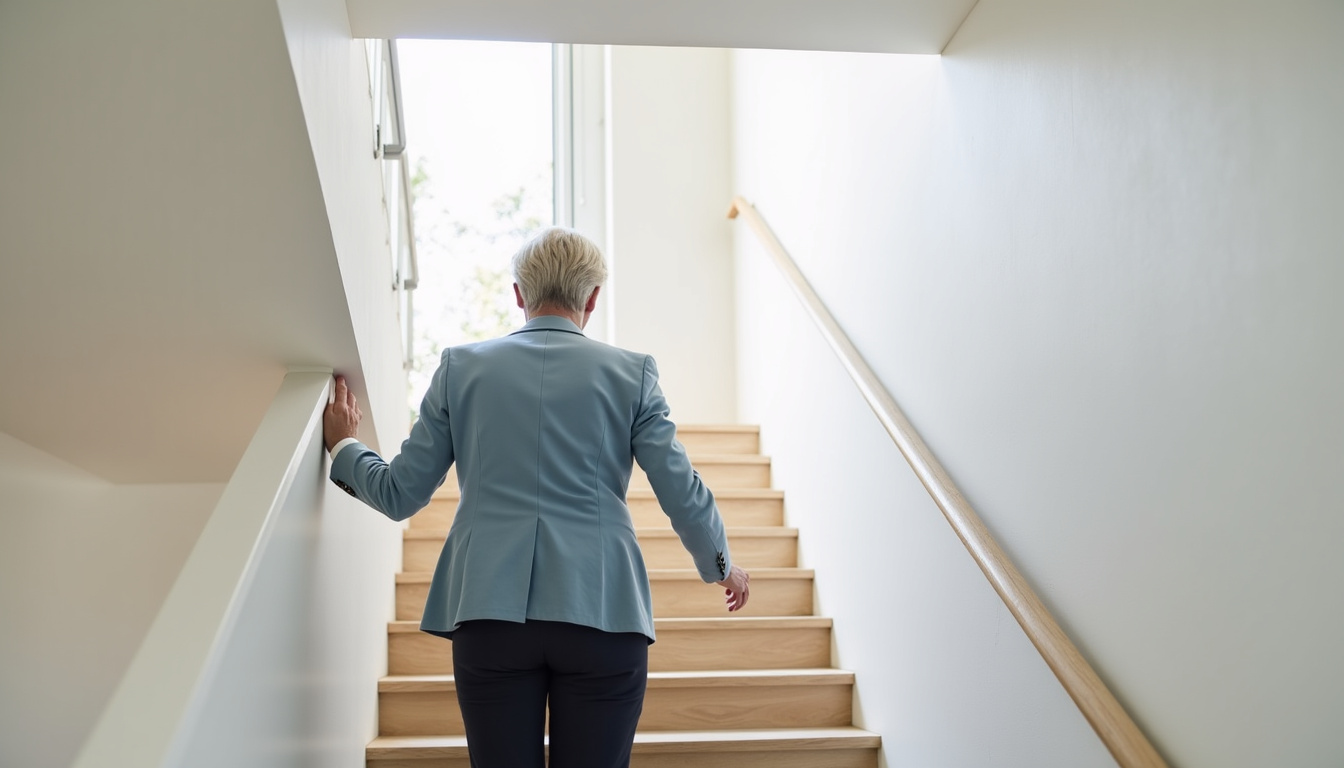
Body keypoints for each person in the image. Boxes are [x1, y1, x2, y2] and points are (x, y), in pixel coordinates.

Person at [323, 227, 750, 768]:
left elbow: (400, 493)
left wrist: (343, 444)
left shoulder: (462, 368)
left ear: (518, 293)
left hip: (488, 614)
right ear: (593, 298)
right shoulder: (632, 375)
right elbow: (679, 488)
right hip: (603, 613)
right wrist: (721, 566)